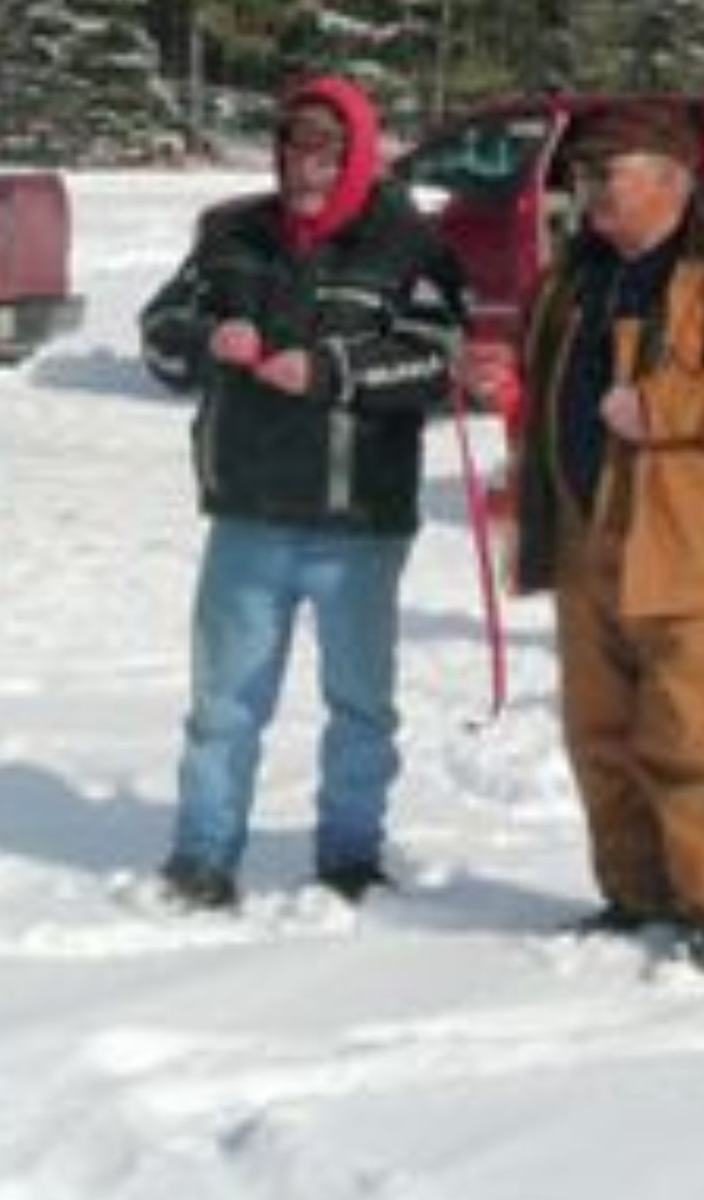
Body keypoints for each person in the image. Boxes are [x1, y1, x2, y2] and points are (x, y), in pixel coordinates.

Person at [136, 74, 468, 912]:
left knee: (360, 705)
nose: (304, 164)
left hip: (359, 520)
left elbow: (437, 359)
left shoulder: (409, 243)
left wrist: (332, 370)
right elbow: (160, 337)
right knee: (224, 705)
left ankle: (351, 855)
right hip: (248, 511)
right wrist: (212, 336)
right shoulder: (229, 234)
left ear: (359, 151)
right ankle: (203, 856)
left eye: (325, 148)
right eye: (292, 144)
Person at [509, 101, 704, 973]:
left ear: (671, 179)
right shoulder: (579, 274)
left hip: (703, 555)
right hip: (588, 540)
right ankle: (637, 893)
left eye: (606, 173)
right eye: (582, 175)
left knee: (694, 738)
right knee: (600, 735)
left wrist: (663, 406)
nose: (589, 191)